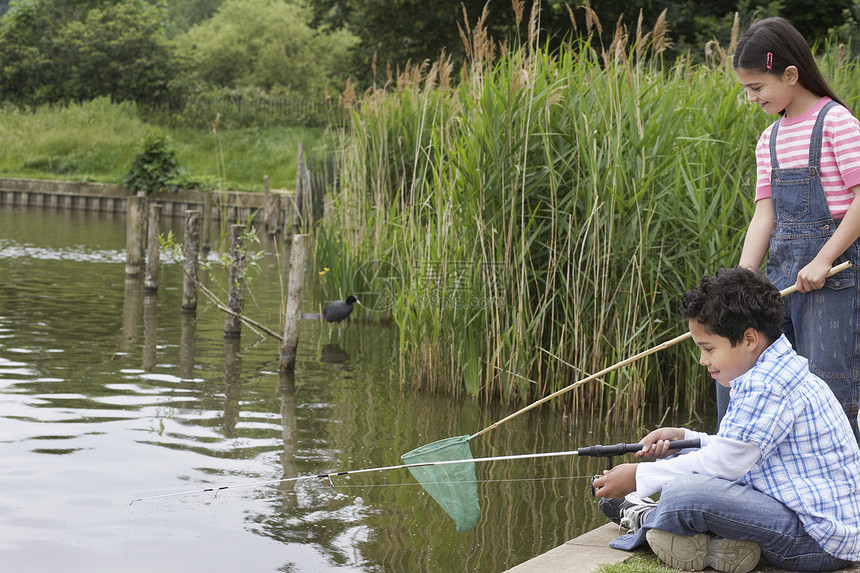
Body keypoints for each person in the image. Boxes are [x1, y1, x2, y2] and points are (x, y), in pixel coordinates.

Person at [592, 267, 860, 573]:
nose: (703, 360)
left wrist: (640, 475)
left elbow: (727, 462)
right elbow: (741, 449)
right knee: (687, 483)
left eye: (708, 349)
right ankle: (716, 546)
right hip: (808, 527)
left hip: (815, 540)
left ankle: (642, 516)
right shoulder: (772, 371)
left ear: (748, 339)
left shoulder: (768, 384)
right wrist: (684, 439)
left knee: (687, 492)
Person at [725, 16, 860, 441]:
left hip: (833, 281)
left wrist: (823, 260)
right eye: (747, 89)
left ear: (789, 73)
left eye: (756, 87)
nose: (751, 99)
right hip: (784, 281)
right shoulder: (770, 138)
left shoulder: (837, 123)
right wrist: (746, 275)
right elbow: (765, 213)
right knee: (755, 374)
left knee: (828, 386)